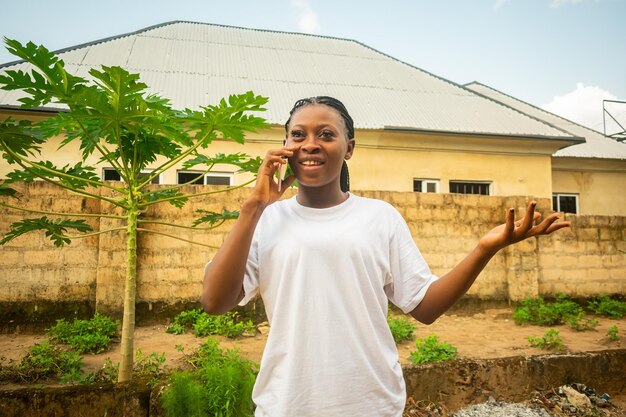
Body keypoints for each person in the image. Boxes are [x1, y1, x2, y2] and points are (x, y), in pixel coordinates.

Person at [202, 96, 571, 417]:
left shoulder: (379, 218)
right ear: (284, 146)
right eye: (298, 134)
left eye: (326, 134)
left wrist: (484, 250)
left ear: (349, 147)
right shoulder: (267, 220)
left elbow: (424, 308)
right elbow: (215, 302)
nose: (310, 144)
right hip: (286, 405)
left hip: (371, 405)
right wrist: (254, 206)